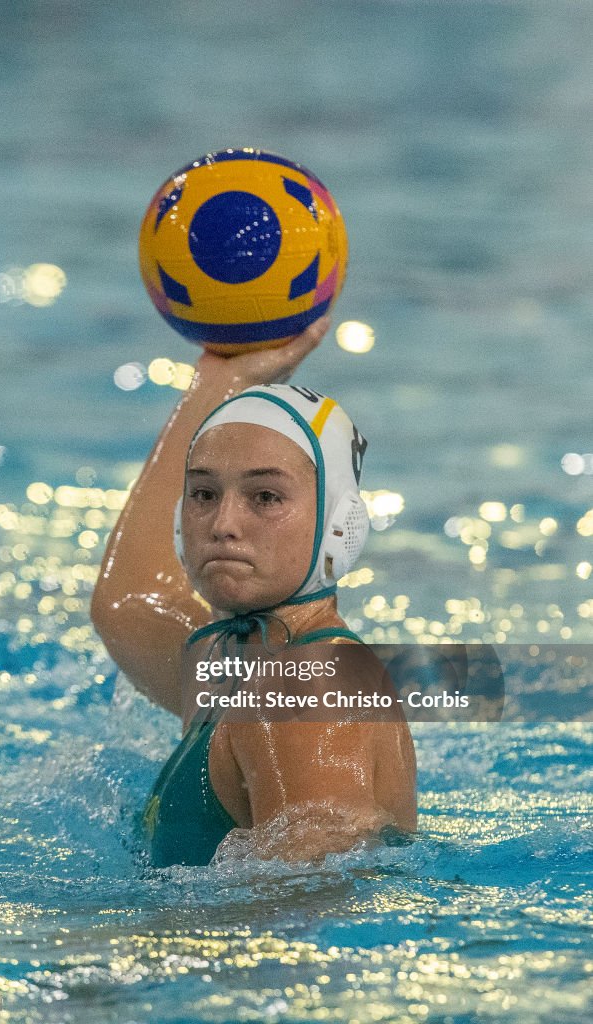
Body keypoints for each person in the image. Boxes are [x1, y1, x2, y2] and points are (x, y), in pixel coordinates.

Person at [91, 315, 416, 867]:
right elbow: (125, 602)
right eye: (203, 493)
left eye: (265, 497)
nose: (223, 523)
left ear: (338, 522)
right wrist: (220, 377)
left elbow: (304, 918)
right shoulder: (235, 659)